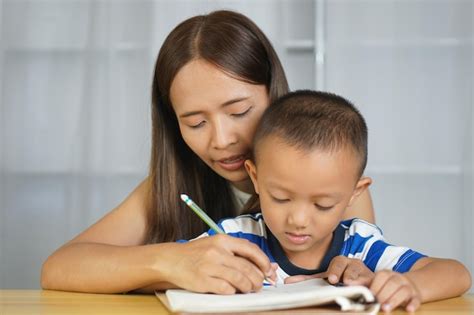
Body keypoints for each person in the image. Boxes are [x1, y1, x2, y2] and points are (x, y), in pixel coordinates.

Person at [41, 10, 375, 294]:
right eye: (196, 122)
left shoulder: (329, 185)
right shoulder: (173, 187)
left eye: (239, 112)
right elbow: (58, 268)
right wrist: (172, 261)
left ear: (273, 94)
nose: (221, 139)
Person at [189, 90, 471, 311]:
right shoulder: (236, 238)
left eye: (322, 204)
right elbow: (174, 264)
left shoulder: (360, 246)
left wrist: (409, 285)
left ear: (354, 193)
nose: (298, 220)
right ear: (255, 177)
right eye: (281, 198)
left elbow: (457, 274)